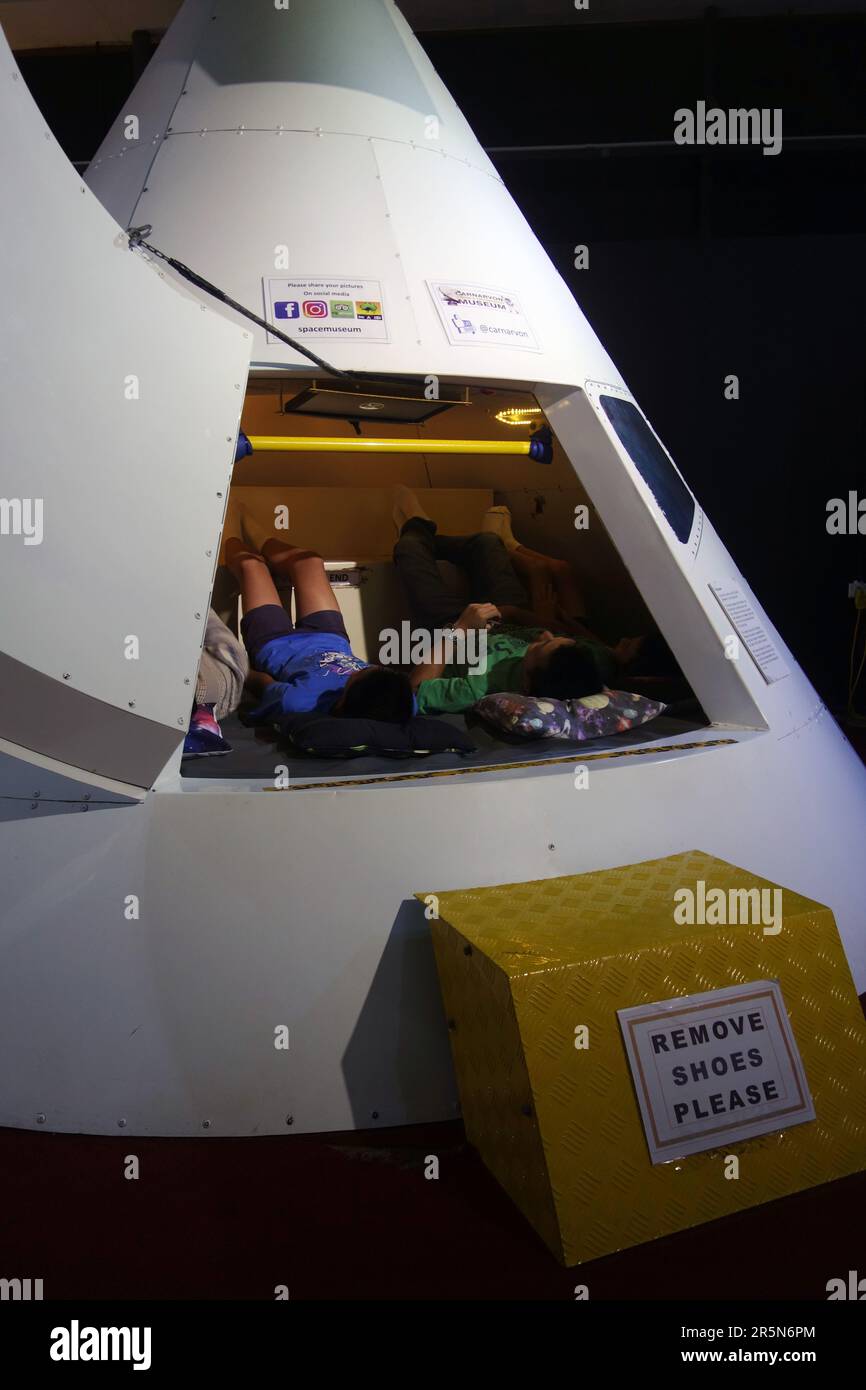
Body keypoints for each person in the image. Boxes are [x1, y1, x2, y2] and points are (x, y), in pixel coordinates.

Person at [392, 487, 614, 715]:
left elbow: (415, 691)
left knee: (408, 549)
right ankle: (422, 536)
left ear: (527, 682)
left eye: (542, 645)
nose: (545, 634)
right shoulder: (586, 667)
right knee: (487, 542)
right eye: (556, 638)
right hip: (507, 617)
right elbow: (607, 651)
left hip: (451, 629)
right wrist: (515, 613)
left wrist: (459, 629)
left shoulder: (479, 689)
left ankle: (418, 528)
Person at [224, 514, 414, 730]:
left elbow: (260, 683)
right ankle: (251, 525)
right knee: (309, 561)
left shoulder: (302, 701)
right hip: (329, 637)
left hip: (276, 645)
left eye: (358, 674)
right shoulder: (401, 701)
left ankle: (229, 523)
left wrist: (234, 663)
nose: (357, 669)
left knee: (251, 565)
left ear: (343, 700)